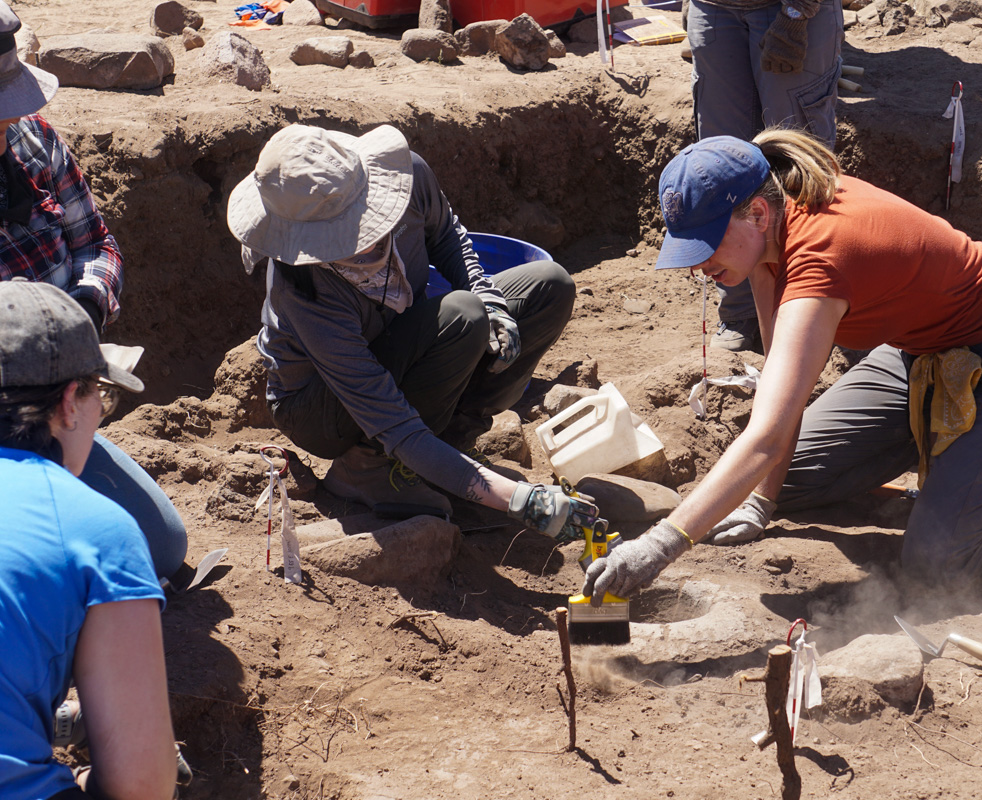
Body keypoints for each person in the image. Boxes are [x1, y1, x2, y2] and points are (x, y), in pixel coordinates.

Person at [582, 131, 982, 602]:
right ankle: (955, 445)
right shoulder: (769, 235)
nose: (698, 265)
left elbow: (764, 437)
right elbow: (777, 406)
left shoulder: (822, 256)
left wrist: (660, 545)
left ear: (756, 216)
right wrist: (760, 505)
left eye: (705, 245)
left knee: (936, 568)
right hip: (922, 353)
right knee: (775, 484)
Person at [227, 123, 597, 539]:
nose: (365, 243)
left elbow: (447, 235)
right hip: (321, 405)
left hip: (398, 340)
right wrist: (517, 499)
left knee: (549, 286)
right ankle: (367, 467)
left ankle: (452, 444)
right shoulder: (304, 289)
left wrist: (489, 297)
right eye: (340, 238)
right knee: (461, 316)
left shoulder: (407, 178)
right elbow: (389, 417)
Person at [0, 1, 187, 579]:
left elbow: (98, 245)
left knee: (162, 545)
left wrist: (85, 304)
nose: (8, 125)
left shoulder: (36, 142)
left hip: (60, 403)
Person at [0, 280, 177, 800]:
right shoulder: (98, 531)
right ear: (70, 403)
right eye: (102, 392)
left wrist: (60, 723)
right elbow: (141, 785)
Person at [687, 0, 843, 352]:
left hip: (789, 10)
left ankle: (812, 306)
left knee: (799, 167)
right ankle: (740, 310)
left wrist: (795, 13)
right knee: (722, 167)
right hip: (715, 8)